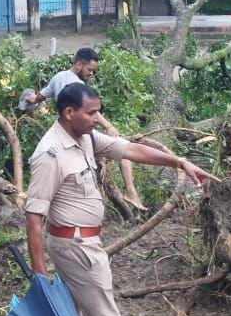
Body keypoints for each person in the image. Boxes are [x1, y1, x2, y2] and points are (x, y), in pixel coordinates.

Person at [25, 83, 219, 316]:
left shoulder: (84, 137)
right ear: (69, 113)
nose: (97, 118)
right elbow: (33, 217)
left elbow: (130, 150)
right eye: (92, 112)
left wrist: (179, 161)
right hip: (77, 249)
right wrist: (39, 276)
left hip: (78, 244)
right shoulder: (51, 154)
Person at [27, 48, 144, 210]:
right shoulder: (78, 86)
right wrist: (108, 126)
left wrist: (29, 98)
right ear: (78, 64)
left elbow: (39, 97)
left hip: (64, 131)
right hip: (80, 131)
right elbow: (91, 112)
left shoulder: (58, 76)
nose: (91, 74)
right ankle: (130, 193)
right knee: (124, 150)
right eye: (89, 69)